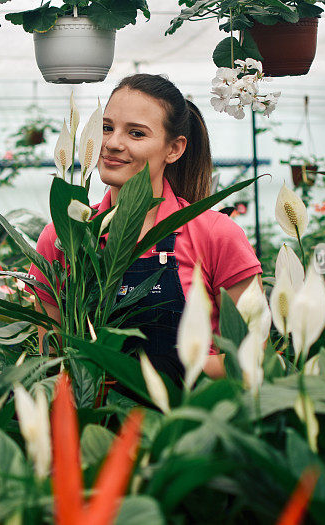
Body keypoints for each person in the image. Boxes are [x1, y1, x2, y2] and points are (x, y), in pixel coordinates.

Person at [27, 73, 262, 384]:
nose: (112, 143)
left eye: (136, 133)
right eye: (107, 127)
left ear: (174, 149)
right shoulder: (63, 237)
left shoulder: (215, 235)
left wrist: (150, 376)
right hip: (95, 423)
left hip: (190, 419)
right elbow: (52, 359)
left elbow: (251, 356)